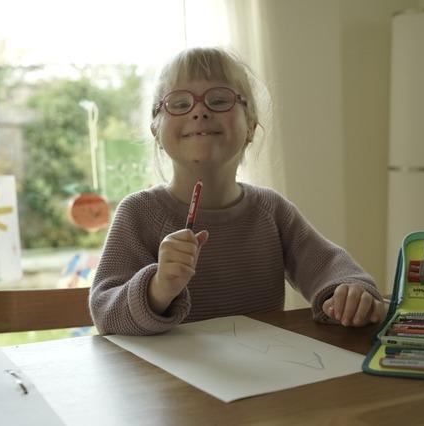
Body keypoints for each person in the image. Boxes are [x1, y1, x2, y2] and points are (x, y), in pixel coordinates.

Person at [89, 47, 386, 335]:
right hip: (167, 385)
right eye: (179, 104)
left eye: (219, 100)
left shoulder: (272, 211)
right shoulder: (139, 213)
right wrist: (157, 288)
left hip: (262, 382)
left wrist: (350, 292)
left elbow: (330, 266)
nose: (200, 112)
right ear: (156, 129)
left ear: (251, 126)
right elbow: (105, 313)